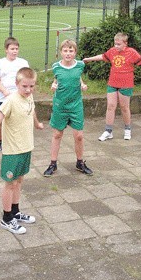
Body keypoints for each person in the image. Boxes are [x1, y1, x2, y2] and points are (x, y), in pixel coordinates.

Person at [0, 67, 44, 234]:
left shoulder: (29, 97)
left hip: (26, 147)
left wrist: (37, 123)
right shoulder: (10, 101)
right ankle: (6, 218)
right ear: (16, 84)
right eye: (24, 86)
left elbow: (31, 110)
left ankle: (15, 212)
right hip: (12, 151)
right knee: (10, 184)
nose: (28, 90)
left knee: (19, 181)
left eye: (31, 86)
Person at [83, 33, 141, 141]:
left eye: (119, 44)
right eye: (115, 43)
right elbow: (102, 56)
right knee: (110, 106)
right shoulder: (112, 51)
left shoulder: (132, 53)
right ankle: (108, 131)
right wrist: (89, 59)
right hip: (112, 83)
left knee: (125, 107)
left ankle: (127, 129)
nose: (116, 46)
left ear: (125, 43)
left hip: (125, 85)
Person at [43, 39, 93, 177]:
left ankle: (80, 163)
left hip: (76, 106)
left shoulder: (80, 65)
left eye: (71, 51)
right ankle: (53, 164)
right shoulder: (56, 67)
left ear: (75, 52)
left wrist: (82, 84)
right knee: (57, 134)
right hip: (60, 106)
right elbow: (56, 79)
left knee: (79, 136)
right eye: (65, 50)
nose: (68, 53)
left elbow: (78, 77)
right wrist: (53, 86)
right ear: (61, 52)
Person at [0, 37, 29, 152]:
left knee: (20, 120)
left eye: (16, 49)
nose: (15, 51)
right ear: (6, 50)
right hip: (4, 97)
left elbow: (27, 78)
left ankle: (18, 141)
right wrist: (5, 91)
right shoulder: (0, 63)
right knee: (1, 121)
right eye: (12, 49)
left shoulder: (23, 63)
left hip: (19, 97)